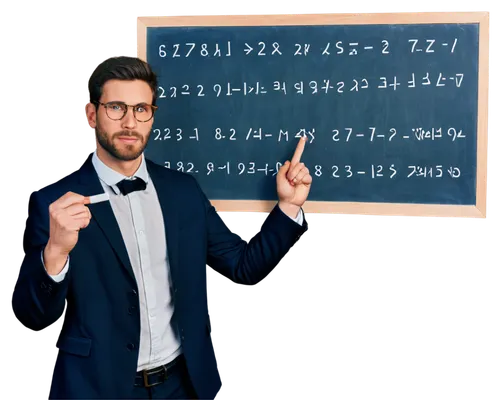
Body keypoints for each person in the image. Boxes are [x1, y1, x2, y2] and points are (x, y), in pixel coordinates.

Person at [11, 55, 312, 400]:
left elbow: (243, 266)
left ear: (152, 115)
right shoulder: (53, 203)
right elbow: (32, 320)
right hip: (98, 388)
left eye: (141, 109)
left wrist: (289, 206)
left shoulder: (182, 190)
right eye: (116, 107)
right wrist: (56, 252)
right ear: (91, 115)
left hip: (183, 385)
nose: (129, 122)